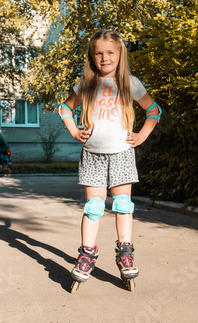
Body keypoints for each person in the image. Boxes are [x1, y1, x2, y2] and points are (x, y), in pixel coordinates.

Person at [59, 30, 161, 289]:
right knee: (93, 207)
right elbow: (65, 109)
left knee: (123, 205)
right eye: (99, 53)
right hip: (92, 154)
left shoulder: (130, 82)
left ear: (119, 55)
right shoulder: (86, 84)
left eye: (110, 53)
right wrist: (74, 131)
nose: (105, 58)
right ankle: (86, 255)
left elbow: (153, 111)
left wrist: (142, 136)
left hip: (122, 154)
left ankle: (125, 255)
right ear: (92, 57)